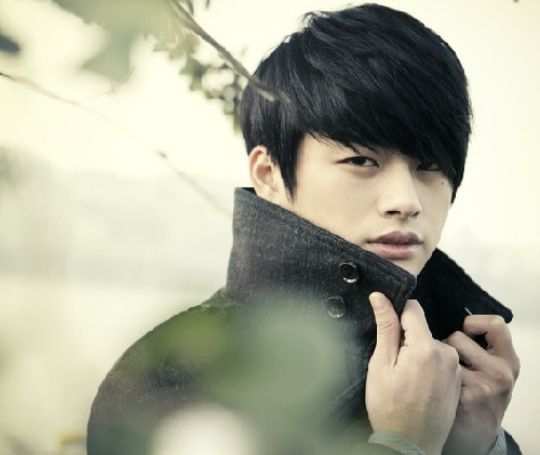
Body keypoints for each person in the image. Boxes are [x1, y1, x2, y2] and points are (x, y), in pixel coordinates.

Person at [87, 3, 521, 454]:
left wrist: (481, 444)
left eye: (429, 166)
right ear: (269, 174)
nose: (406, 201)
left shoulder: (457, 360)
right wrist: (402, 444)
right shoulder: (167, 376)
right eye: (362, 160)